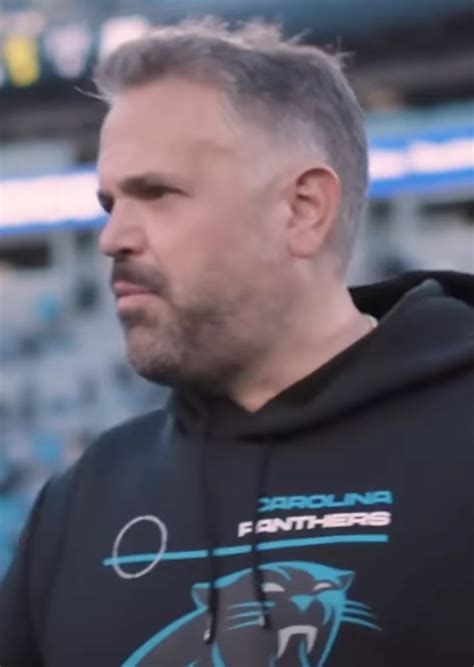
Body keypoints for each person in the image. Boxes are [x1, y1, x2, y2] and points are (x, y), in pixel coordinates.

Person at [1, 18, 473, 667]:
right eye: (111, 203)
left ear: (303, 209)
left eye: (157, 193)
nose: (111, 238)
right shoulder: (81, 502)